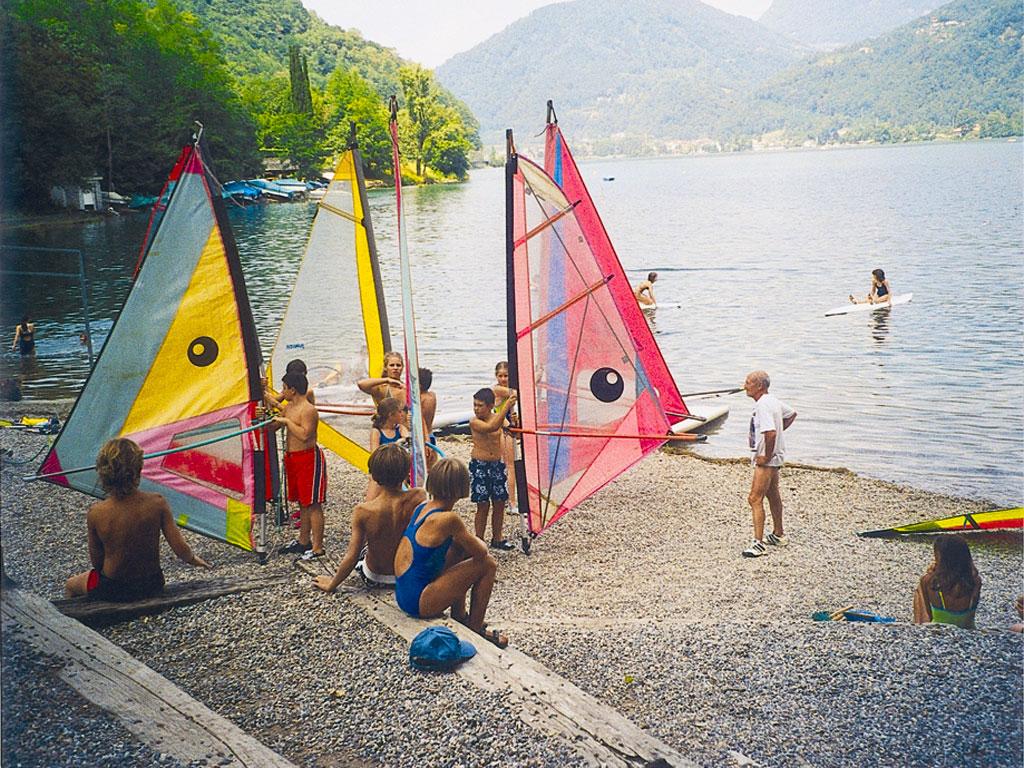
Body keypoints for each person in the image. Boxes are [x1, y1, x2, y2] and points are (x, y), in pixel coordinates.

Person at [65, 438, 211, 600]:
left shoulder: (96, 513)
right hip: (152, 584)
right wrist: (193, 559)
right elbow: (180, 549)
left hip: (114, 588)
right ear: (138, 469)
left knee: (71, 584)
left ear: (103, 472)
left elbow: (97, 562)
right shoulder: (157, 503)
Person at [394, 457, 508, 648]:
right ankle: (474, 629)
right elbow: (481, 552)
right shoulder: (449, 520)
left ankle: (460, 616)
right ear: (461, 487)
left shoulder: (423, 507)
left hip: (404, 594)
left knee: (459, 547)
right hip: (419, 601)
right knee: (489, 565)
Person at [313, 444, 426, 592]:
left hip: (376, 577)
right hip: (405, 573)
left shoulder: (363, 511)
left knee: (362, 547)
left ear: (373, 475)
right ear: (406, 473)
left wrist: (332, 584)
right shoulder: (418, 496)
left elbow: (351, 556)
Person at [741, 370, 796, 558]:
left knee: (754, 498)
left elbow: (770, 433)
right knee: (772, 494)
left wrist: (765, 455)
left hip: (767, 459)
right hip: (775, 456)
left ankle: (758, 544)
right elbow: (791, 414)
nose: (744, 385)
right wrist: (779, 436)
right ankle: (778, 534)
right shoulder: (772, 400)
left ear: (759, 386)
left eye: (748, 382)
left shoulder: (763, 405)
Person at [274, 371, 327, 559]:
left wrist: (287, 421)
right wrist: (265, 416)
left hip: (309, 458)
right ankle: (304, 541)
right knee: (302, 502)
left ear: (293, 389)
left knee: (312, 503)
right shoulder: (288, 407)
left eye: (284, 388)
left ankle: (318, 548)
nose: (283, 392)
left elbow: (305, 435)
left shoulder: (309, 410)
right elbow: (274, 426)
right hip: (293, 459)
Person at [469, 388, 518, 550]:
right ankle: (479, 540)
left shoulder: (498, 418)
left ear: (490, 406)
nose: (476, 408)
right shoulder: (474, 421)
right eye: (474, 405)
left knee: (499, 502)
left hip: (496, 465)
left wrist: (514, 423)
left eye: (480, 405)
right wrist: (506, 407)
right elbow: (490, 427)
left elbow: (509, 430)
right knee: (482, 505)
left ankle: (497, 538)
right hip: (480, 465)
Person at [912, 535, 982, 629]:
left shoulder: (929, 581)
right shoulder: (975, 581)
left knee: (918, 591)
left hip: (938, 633)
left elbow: (926, 614)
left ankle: (917, 628)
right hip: (969, 632)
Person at [366, 397, 409, 501]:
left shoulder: (400, 428)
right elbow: (374, 454)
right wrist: (395, 444)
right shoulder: (377, 432)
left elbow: (407, 440)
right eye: (399, 412)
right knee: (370, 499)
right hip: (381, 469)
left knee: (400, 495)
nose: (402, 414)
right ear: (391, 415)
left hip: (397, 469)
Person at [492, 362, 518, 506]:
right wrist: (535, 378)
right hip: (501, 429)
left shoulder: (508, 390)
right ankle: (512, 502)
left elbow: (512, 410)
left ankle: (509, 498)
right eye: (500, 376)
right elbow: (517, 394)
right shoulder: (497, 389)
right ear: (496, 376)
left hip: (508, 427)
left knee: (509, 465)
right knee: (509, 465)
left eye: (506, 376)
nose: (503, 379)